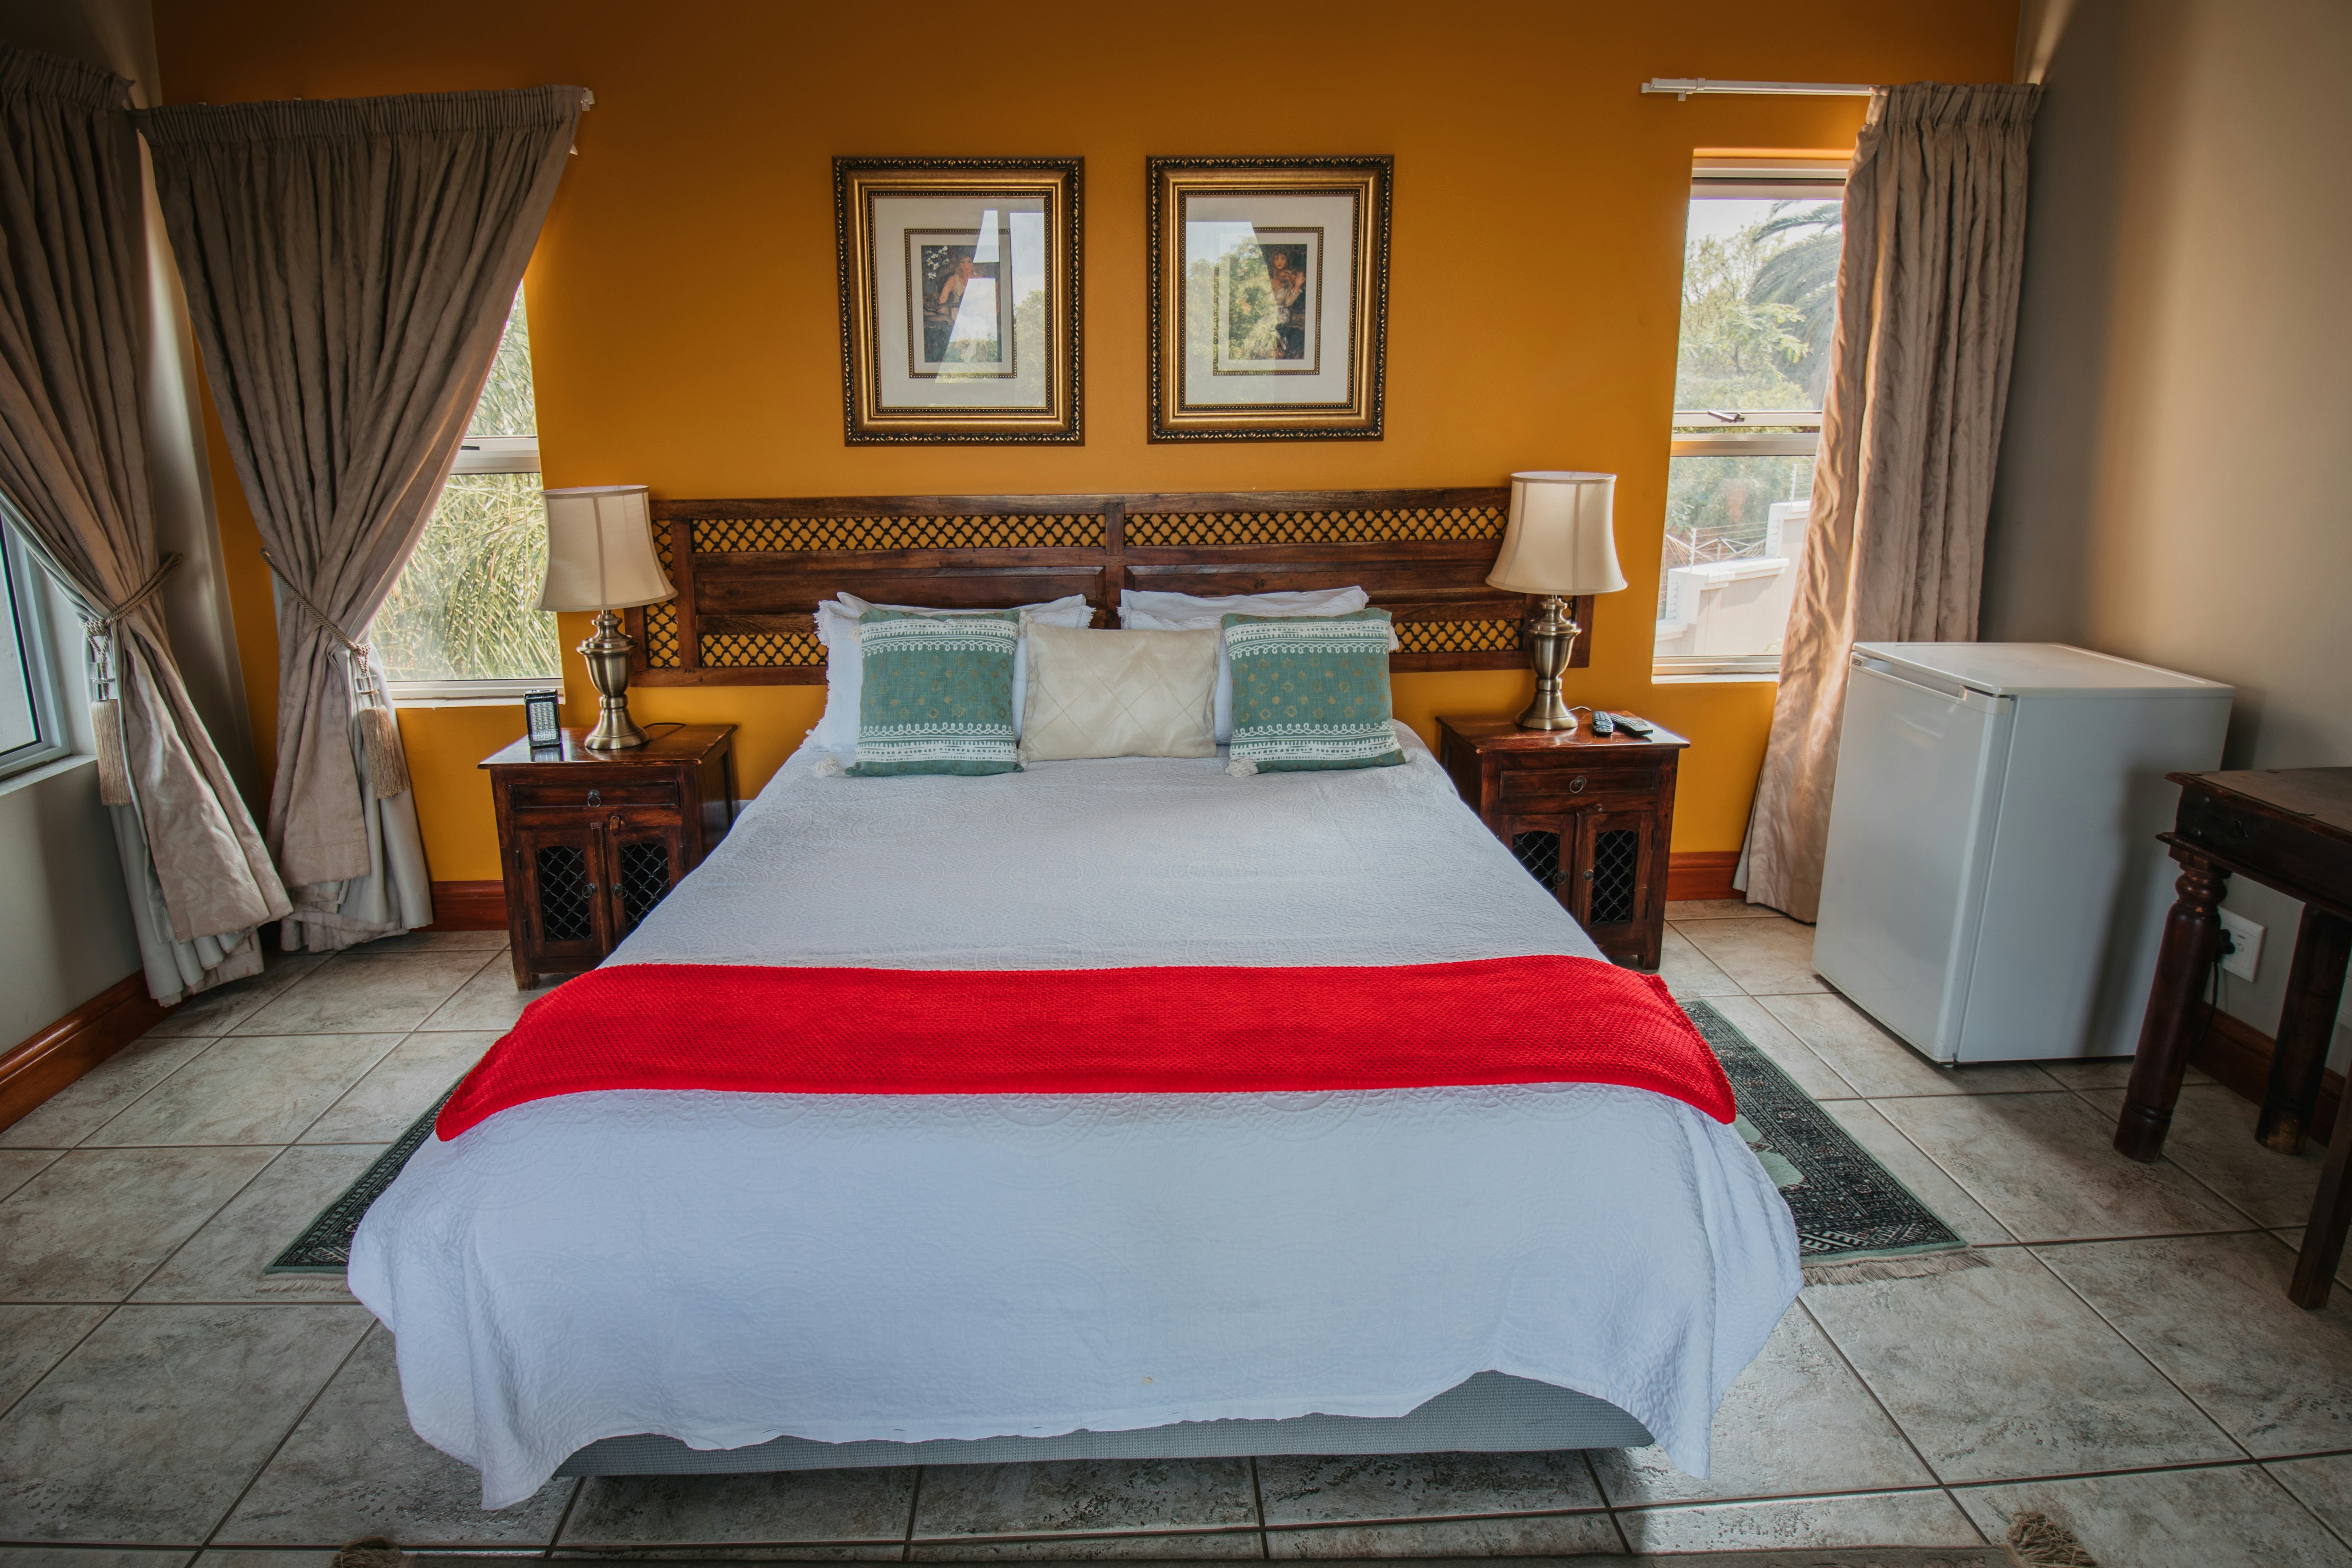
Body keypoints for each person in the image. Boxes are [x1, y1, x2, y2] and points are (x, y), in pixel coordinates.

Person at [1265, 246, 1307, 360]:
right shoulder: (1268, 278)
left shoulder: (1288, 282)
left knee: (1269, 323)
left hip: (1282, 313)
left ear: (1287, 260)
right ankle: (1277, 350)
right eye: (1276, 259)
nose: (1280, 262)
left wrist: (1297, 286)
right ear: (1272, 261)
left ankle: (1277, 350)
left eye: (1283, 258)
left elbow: (1289, 303)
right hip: (1268, 313)